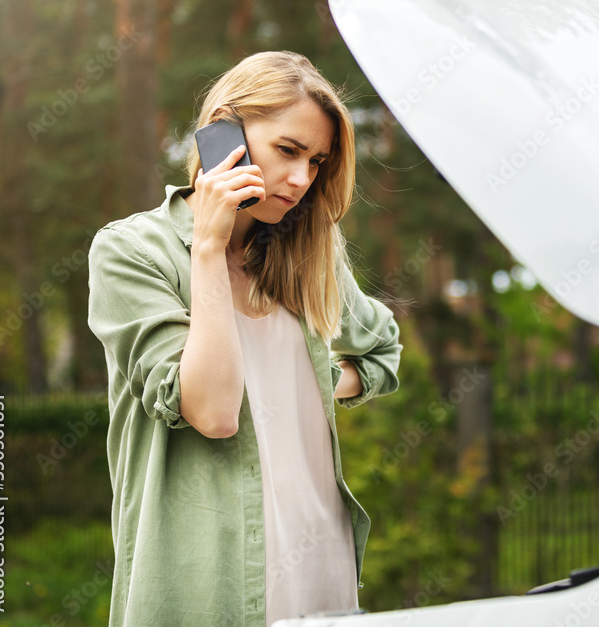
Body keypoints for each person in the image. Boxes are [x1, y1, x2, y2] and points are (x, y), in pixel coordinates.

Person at [87, 50, 402, 626]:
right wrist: (208, 248)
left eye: (317, 161)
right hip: (209, 576)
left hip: (320, 561)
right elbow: (213, 412)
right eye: (288, 151)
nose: (302, 180)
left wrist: (322, 381)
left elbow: (383, 352)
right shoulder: (131, 252)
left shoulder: (312, 253)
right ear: (223, 132)